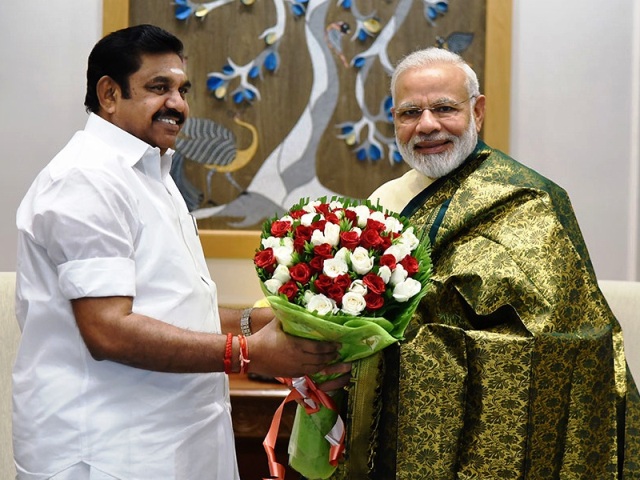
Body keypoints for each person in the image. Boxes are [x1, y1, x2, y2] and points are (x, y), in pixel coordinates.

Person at [12, 24, 348, 480]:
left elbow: (172, 304)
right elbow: (108, 330)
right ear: (109, 94)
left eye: (182, 90)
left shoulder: (152, 172)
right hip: (108, 449)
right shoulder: (86, 178)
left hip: (174, 439)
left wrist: (255, 322)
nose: (178, 104)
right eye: (158, 88)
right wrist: (250, 353)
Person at [333, 47, 640, 478]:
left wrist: (403, 347)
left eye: (444, 108)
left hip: (502, 438)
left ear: (477, 111)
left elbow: (562, 342)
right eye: (410, 113)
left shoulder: (529, 200)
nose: (427, 125)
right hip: (391, 428)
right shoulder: (385, 202)